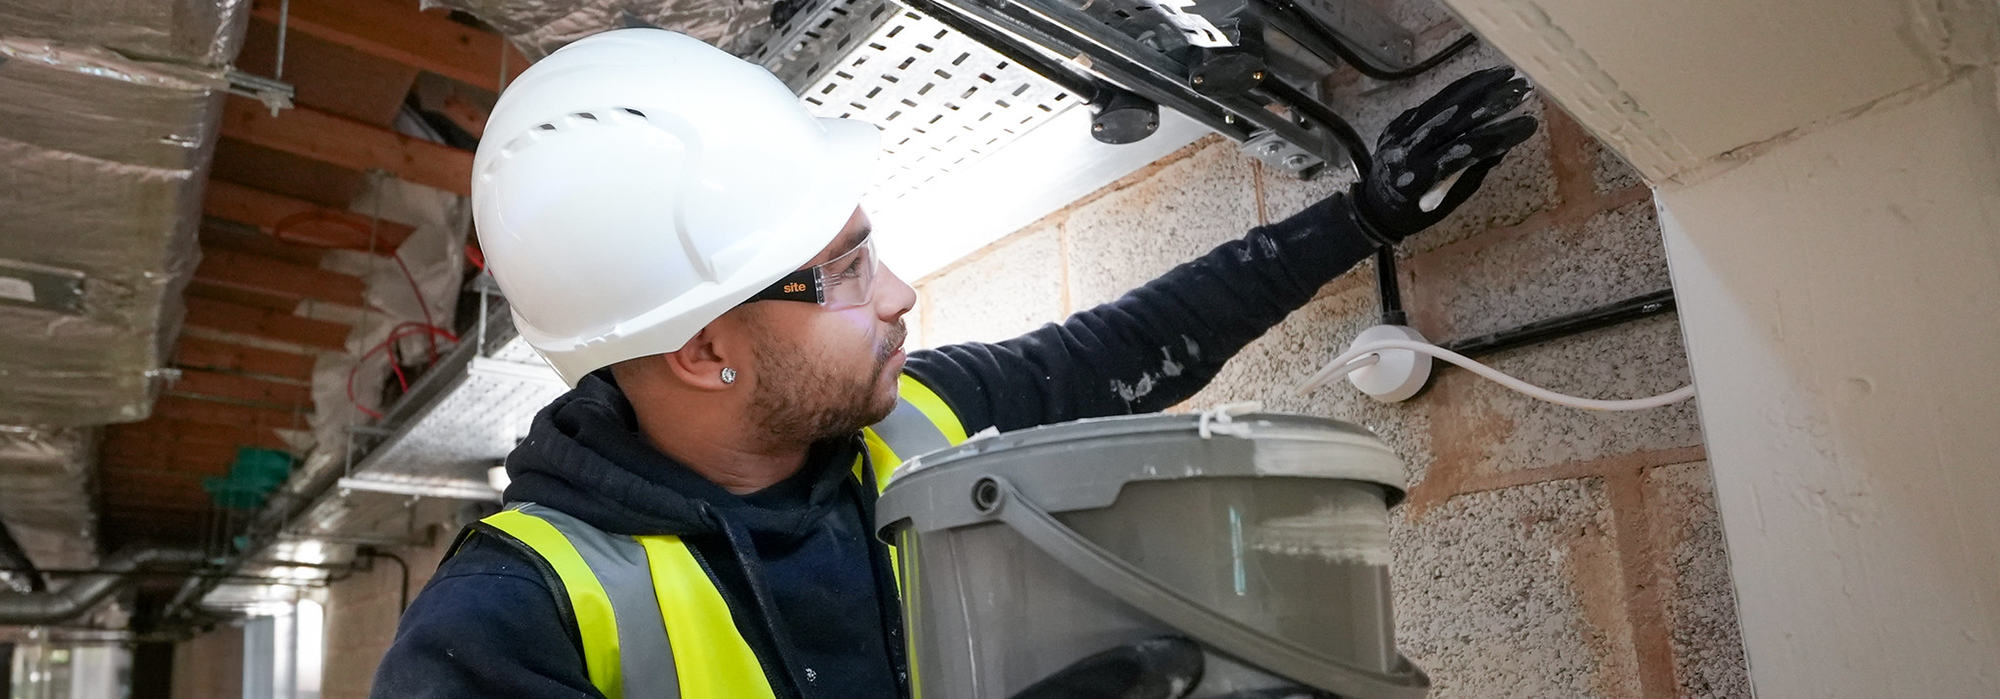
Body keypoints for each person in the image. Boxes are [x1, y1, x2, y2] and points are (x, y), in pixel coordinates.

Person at [369, 27, 1535, 699]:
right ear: (702, 348)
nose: (898, 293)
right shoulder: (516, 619)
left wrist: (1362, 217)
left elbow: (1121, 351)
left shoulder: (908, 419)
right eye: (845, 268)